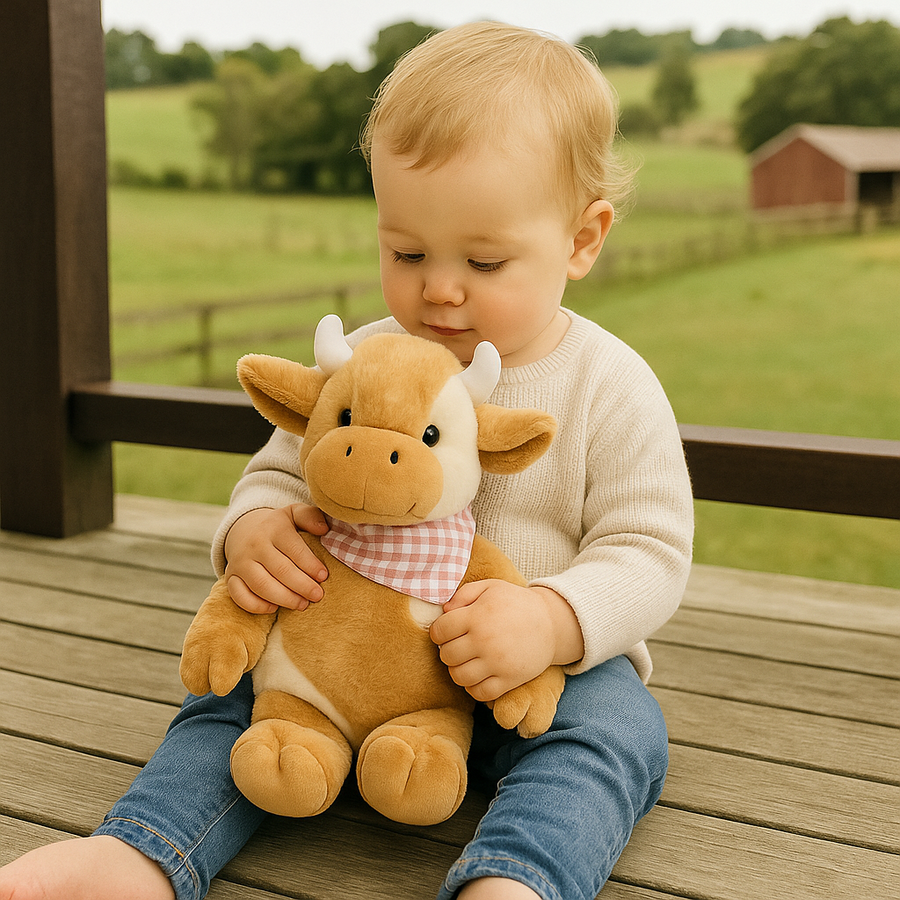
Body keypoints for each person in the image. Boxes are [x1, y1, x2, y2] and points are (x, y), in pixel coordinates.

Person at [0, 21, 693, 900]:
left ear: (582, 240)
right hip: (348, 661)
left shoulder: (608, 383)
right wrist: (255, 531)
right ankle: (138, 850)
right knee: (230, 701)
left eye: (484, 259)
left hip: (535, 676)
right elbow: (282, 468)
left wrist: (553, 620)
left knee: (619, 733)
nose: (438, 288)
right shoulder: (367, 357)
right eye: (406, 252)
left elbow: (650, 549)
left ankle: (520, 878)